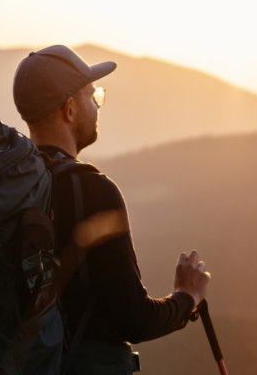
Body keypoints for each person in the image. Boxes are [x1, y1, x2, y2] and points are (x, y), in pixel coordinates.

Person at [11, 44, 212, 374]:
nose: (98, 104)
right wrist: (186, 297)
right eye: (93, 95)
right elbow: (133, 319)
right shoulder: (92, 191)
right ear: (70, 109)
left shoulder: (6, 189)